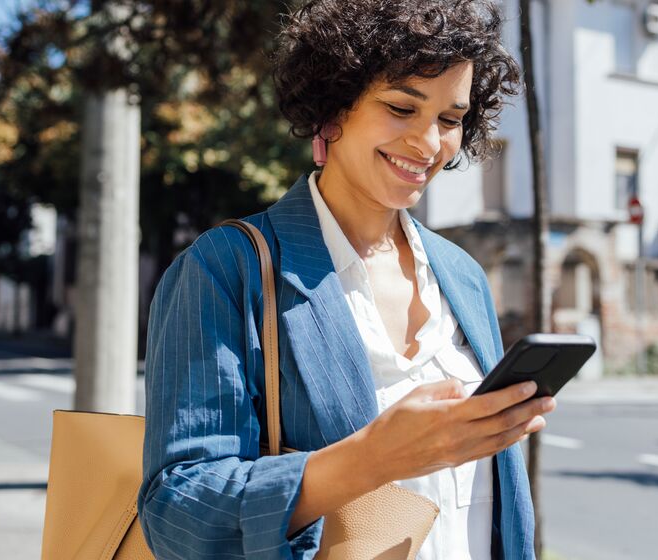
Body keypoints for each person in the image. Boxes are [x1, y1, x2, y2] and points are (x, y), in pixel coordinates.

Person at [138, 1, 557, 558]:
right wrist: (372, 457)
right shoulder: (223, 269)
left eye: (450, 120)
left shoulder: (462, 275)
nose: (429, 144)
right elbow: (176, 511)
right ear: (334, 108)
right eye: (401, 107)